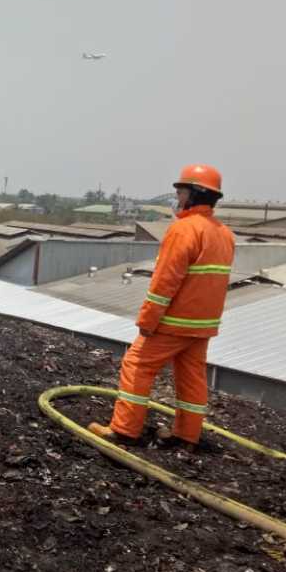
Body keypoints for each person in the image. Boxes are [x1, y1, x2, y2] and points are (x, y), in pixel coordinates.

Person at [88, 164, 234, 452]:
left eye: (181, 191)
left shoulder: (184, 229)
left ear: (195, 194)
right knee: (191, 378)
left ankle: (124, 431)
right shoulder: (224, 233)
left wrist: (148, 319)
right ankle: (186, 436)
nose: (177, 196)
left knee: (137, 365)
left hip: (173, 322)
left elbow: (166, 281)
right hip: (202, 325)